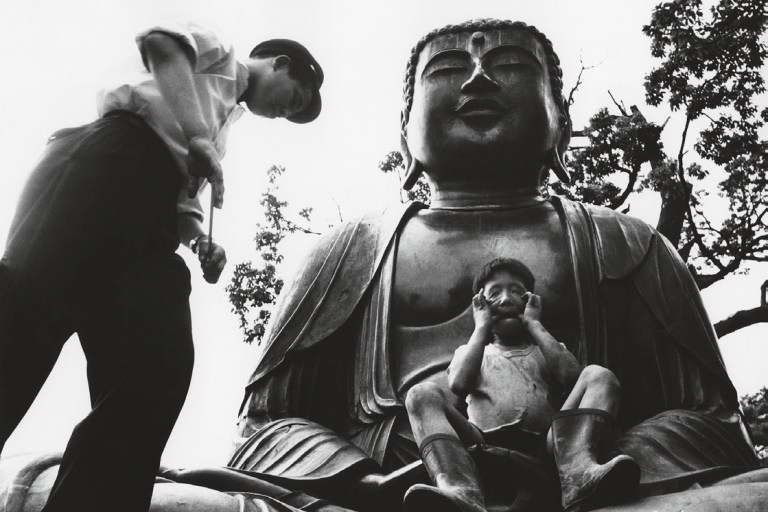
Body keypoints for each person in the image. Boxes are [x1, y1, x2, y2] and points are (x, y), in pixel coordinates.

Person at [232, 19, 764, 512]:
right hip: (403, 487)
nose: (479, 80)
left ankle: (582, 471)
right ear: (405, 128)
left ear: (561, 117)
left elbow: (714, 420)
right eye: (447, 70)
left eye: (509, 66)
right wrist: (360, 483)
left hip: (595, 486)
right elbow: (264, 424)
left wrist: (608, 463)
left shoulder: (624, 242)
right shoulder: (349, 252)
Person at [0, 21, 323, 512]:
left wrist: (199, 243)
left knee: (157, 367)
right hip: (103, 163)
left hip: (149, 220)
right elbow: (160, 43)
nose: (283, 112)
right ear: (278, 62)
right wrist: (198, 136)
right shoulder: (221, 54)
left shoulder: (222, 127)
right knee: (22, 325)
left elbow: (180, 200)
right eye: (294, 98)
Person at [403, 258, 638, 512]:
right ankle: (459, 489)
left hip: (548, 446)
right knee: (420, 394)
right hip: (482, 446)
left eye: (516, 291)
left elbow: (572, 376)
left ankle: (580, 474)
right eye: (495, 294)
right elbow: (459, 383)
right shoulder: (473, 351)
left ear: (529, 301)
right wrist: (482, 326)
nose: (506, 300)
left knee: (598, 376)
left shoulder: (546, 349)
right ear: (481, 305)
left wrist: (534, 324)